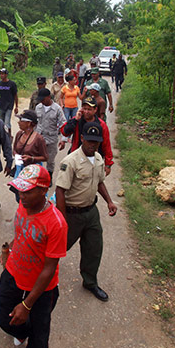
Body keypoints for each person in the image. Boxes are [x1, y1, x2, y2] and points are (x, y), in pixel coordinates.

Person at [0, 165, 68, 348]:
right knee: (2, 313)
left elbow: (50, 268)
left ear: (44, 191)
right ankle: (21, 331)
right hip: (14, 272)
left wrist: (26, 305)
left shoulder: (56, 224)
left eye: (27, 191)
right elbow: (21, 233)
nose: (21, 196)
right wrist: (10, 248)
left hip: (41, 287)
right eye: (19, 190)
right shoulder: (23, 206)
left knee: (39, 327)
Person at [55, 122, 117, 302]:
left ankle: (90, 282)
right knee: (58, 247)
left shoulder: (98, 159)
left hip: (91, 212)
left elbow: (99, 182)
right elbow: (60, 190)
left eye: (96, 142)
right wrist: (62, 218)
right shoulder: (71, 161)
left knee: (94, 248)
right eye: (89, 141)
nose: (92, 145)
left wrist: (109, 202)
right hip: (72, 214)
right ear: (82, 138)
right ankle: (41, 277)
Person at [60, 97, 114, 176]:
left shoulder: (101, 125)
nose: (86, 112)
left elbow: (106, 145)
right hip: (76, 157)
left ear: (95, 110)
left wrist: (108, 164)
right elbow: (64, 132)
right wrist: (75, 120)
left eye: (89, 109)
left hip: (93, 159)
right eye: (84, 109)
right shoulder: (77, 120)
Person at [11, 110, 48, 202]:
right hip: (20, 172)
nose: (19, 123)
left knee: (31, 197)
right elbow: (14, 149)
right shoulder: (19, 134)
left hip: (33, 174)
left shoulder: (39, 139)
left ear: (29, 123)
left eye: (21, 120)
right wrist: (16, 155)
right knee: (19, 196)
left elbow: (45, 157)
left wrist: (31, 158)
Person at [34, 89, 65, 180]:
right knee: (36, 158)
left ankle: (49, 176)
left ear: (48, 97)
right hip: (39, 137)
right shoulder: (38, 107)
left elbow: (63, 124)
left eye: (43, 99)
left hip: (51, 138)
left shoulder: (57, 109)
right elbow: (35, 123)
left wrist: (63, 139)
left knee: (50, 160)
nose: (41, 101)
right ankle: (38, 175)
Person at [0, 68, 19, 134]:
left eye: (3, 74)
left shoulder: (12, 84)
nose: (1, 75)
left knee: (7, 123)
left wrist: (16, 106)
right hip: (1, 105)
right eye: (0, 74)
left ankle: (9, 137)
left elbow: (15, 95)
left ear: (6, 75)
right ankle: (1, 138)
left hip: (9, 106)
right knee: (0, 123)